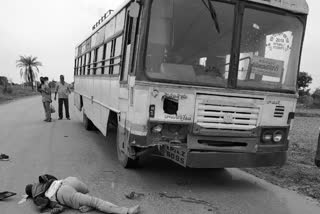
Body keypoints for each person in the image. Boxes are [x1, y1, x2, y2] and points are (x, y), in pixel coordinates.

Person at [25, 174, 140, 214]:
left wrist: (56, 209)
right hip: (67, 181)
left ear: (30, 194)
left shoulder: (38, 196)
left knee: (95, 202)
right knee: (86, 191)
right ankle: (85, 204)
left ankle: (127, 211)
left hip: (63, 194)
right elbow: (54, 177)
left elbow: (58, 206)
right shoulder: (42, 180)